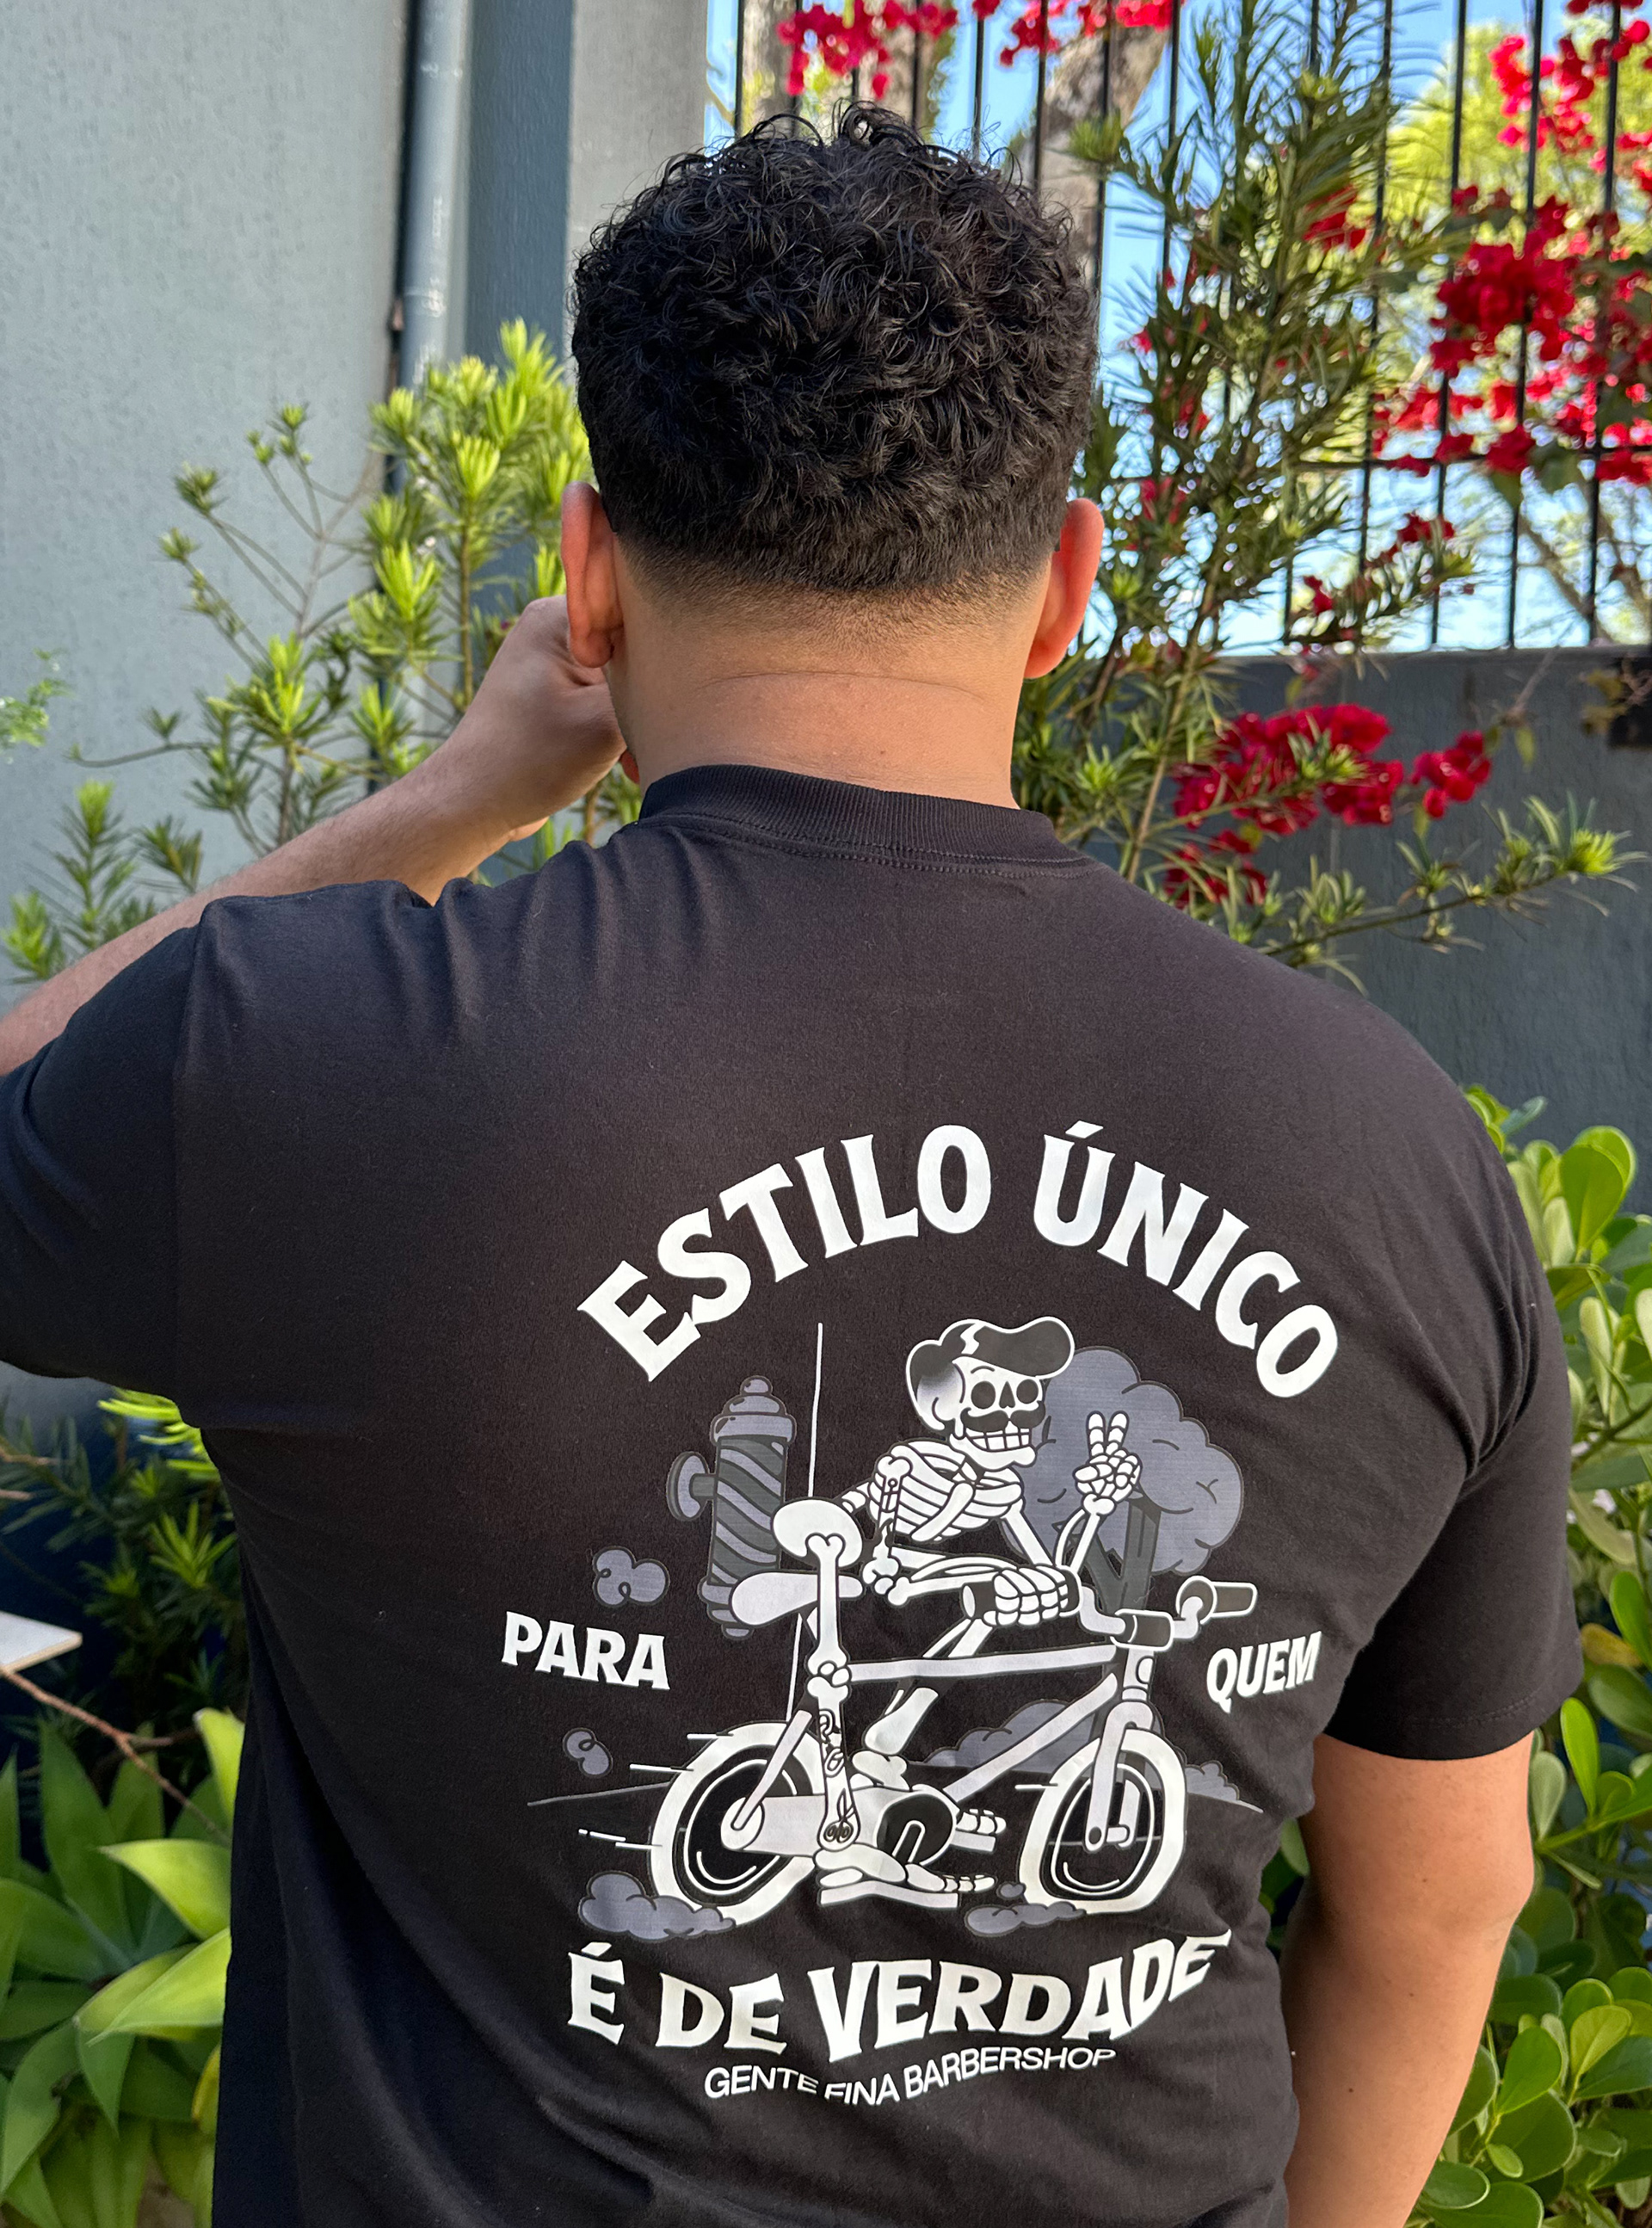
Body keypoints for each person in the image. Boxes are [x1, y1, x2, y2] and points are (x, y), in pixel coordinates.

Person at [0, 108, 1575, 2228]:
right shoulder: (1397, 1152)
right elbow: (1441, 1898)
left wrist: (452, 799)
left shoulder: (296, 1058)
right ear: (1066, 589)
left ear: (586, 575)